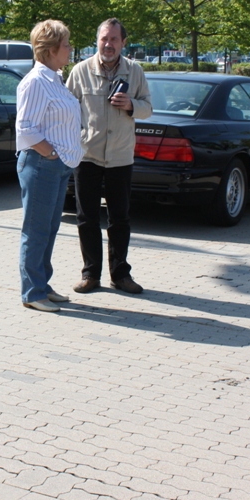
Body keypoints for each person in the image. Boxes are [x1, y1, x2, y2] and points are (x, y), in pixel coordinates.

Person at [66, 18, 152, 295]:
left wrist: (131, 105)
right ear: (97, 40)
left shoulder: (135, 71)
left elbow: (148, 108)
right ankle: (90, 274)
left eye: (114, 39)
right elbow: (66, 109)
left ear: (123, 42)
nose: (108, 44)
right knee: (86, 218)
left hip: (120, 156)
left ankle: (120, 274)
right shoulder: (80, 71)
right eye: (104, 38)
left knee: (119, 218)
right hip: (87, 155)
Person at [16, 20, 84, 312]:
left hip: (58, 166)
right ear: (52, 49)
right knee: (36, 230)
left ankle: (42, 284)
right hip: (42, 165)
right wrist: (51, 153)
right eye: (66, 45)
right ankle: (32, 292)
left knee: (49, 228)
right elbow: (25, 128)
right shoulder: (35, 81)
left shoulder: (55, 78)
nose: (70, 49)